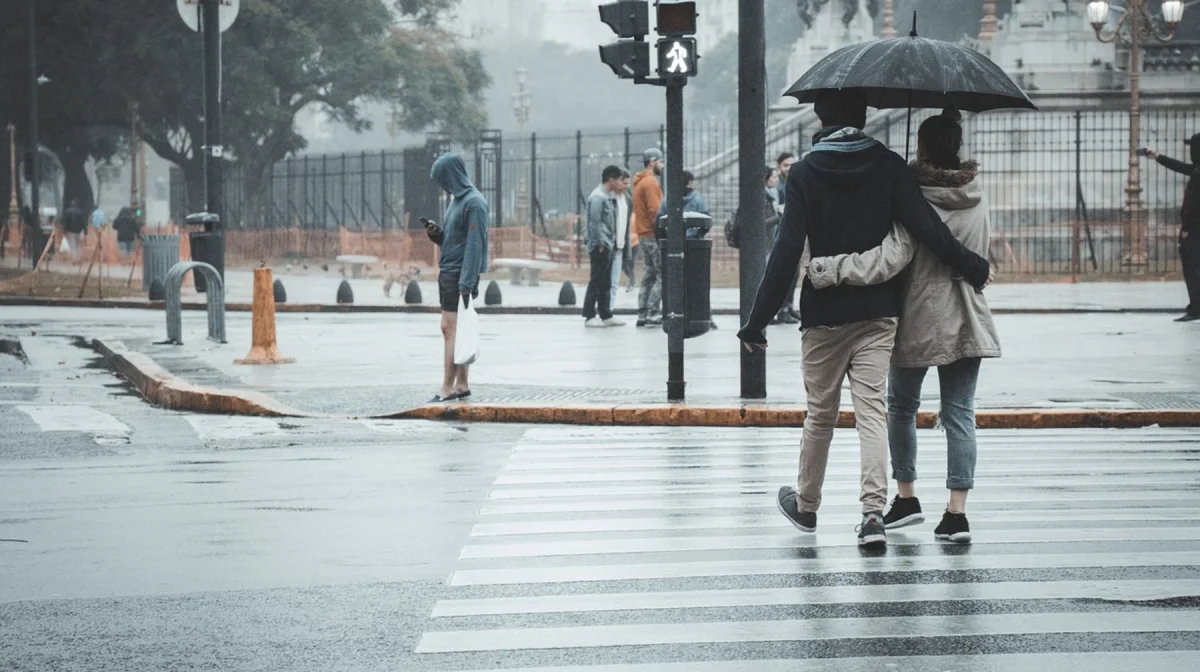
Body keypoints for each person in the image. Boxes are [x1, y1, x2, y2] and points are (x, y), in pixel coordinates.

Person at [737, 89, 992, 549]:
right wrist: (969, 263)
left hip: (823, 314)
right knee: (872, 413)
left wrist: (756, 321)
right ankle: (873, 515)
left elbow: (787, 250)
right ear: (864, 116)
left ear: (820, 117)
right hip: (879, 312)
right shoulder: (890, 165)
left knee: (821, 414)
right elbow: (925, 228)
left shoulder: (804, 174)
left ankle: (807, 506)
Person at [807, 108, 1002, 544]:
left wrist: (833, 269)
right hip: (969, 313)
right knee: (960, 415)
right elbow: (982, 250)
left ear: (923, 147)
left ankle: (907, 496)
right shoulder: (977, 190)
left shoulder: (913, 194)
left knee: (899, 408)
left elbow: (895, 255)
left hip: (918, 312)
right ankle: (956, 514)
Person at [424, 152, 489, 403]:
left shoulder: (474, 203)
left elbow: (475, 246)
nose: (442, 185)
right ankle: (461, 385)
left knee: (449, 329)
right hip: (451, 272)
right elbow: (456, 241)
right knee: (457, 331)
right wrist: (437, 236)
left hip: (459, 276)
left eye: (443, 179)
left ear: (453, 175)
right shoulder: (457, 202)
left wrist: (466, 283)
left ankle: (447, 388)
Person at [1144, 133, 1199, 322]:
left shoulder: (1199, 173)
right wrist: (1158, 156)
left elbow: (1194, 205)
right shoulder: (1197, 170)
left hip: (1195, 230)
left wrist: (1186, 228)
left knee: (1192, 267)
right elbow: (1182, 167)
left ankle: (1196, 308)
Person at [582, 165, 626, 328]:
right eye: (620, 179)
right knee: (596, 280)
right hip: (600, 245)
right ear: (611, 179)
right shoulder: (598, 197)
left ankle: (606, 313)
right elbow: (594, 222)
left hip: (607, 243)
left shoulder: (607, 196)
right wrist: (599, 242)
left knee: (605, 280)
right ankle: (589, 315)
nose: (622, 183)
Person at [633, 148, 665, 327]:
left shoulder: (639, 182)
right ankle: (654, 311)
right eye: (661, 162)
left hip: (642, 234)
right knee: (663, 274)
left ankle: (642, 312)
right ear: (652, 162)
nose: (663, 166)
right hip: (653, 235)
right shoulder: (651, 183)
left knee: (648, 274)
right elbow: (656, 210)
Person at [775, 152, 801, 324]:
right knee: (784, 273)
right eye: (786, 165)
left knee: (794, 272)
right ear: (779, 167)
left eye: (792, 164)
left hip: (793, 231)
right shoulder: (777, 186)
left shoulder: (794, 181)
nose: (789, 168)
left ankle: (789, 307)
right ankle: (783, 309)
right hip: (781, 234)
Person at [609, 169, 634, 310]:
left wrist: (626, 248)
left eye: (628, 183)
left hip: (620, 245)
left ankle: (609, 310)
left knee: (614, 282)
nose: (626, 186)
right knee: (603, 281)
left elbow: (627, 225)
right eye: (624, 183)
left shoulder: (628, 200)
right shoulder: (608, 198)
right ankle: (602, 310)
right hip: (608, 245)